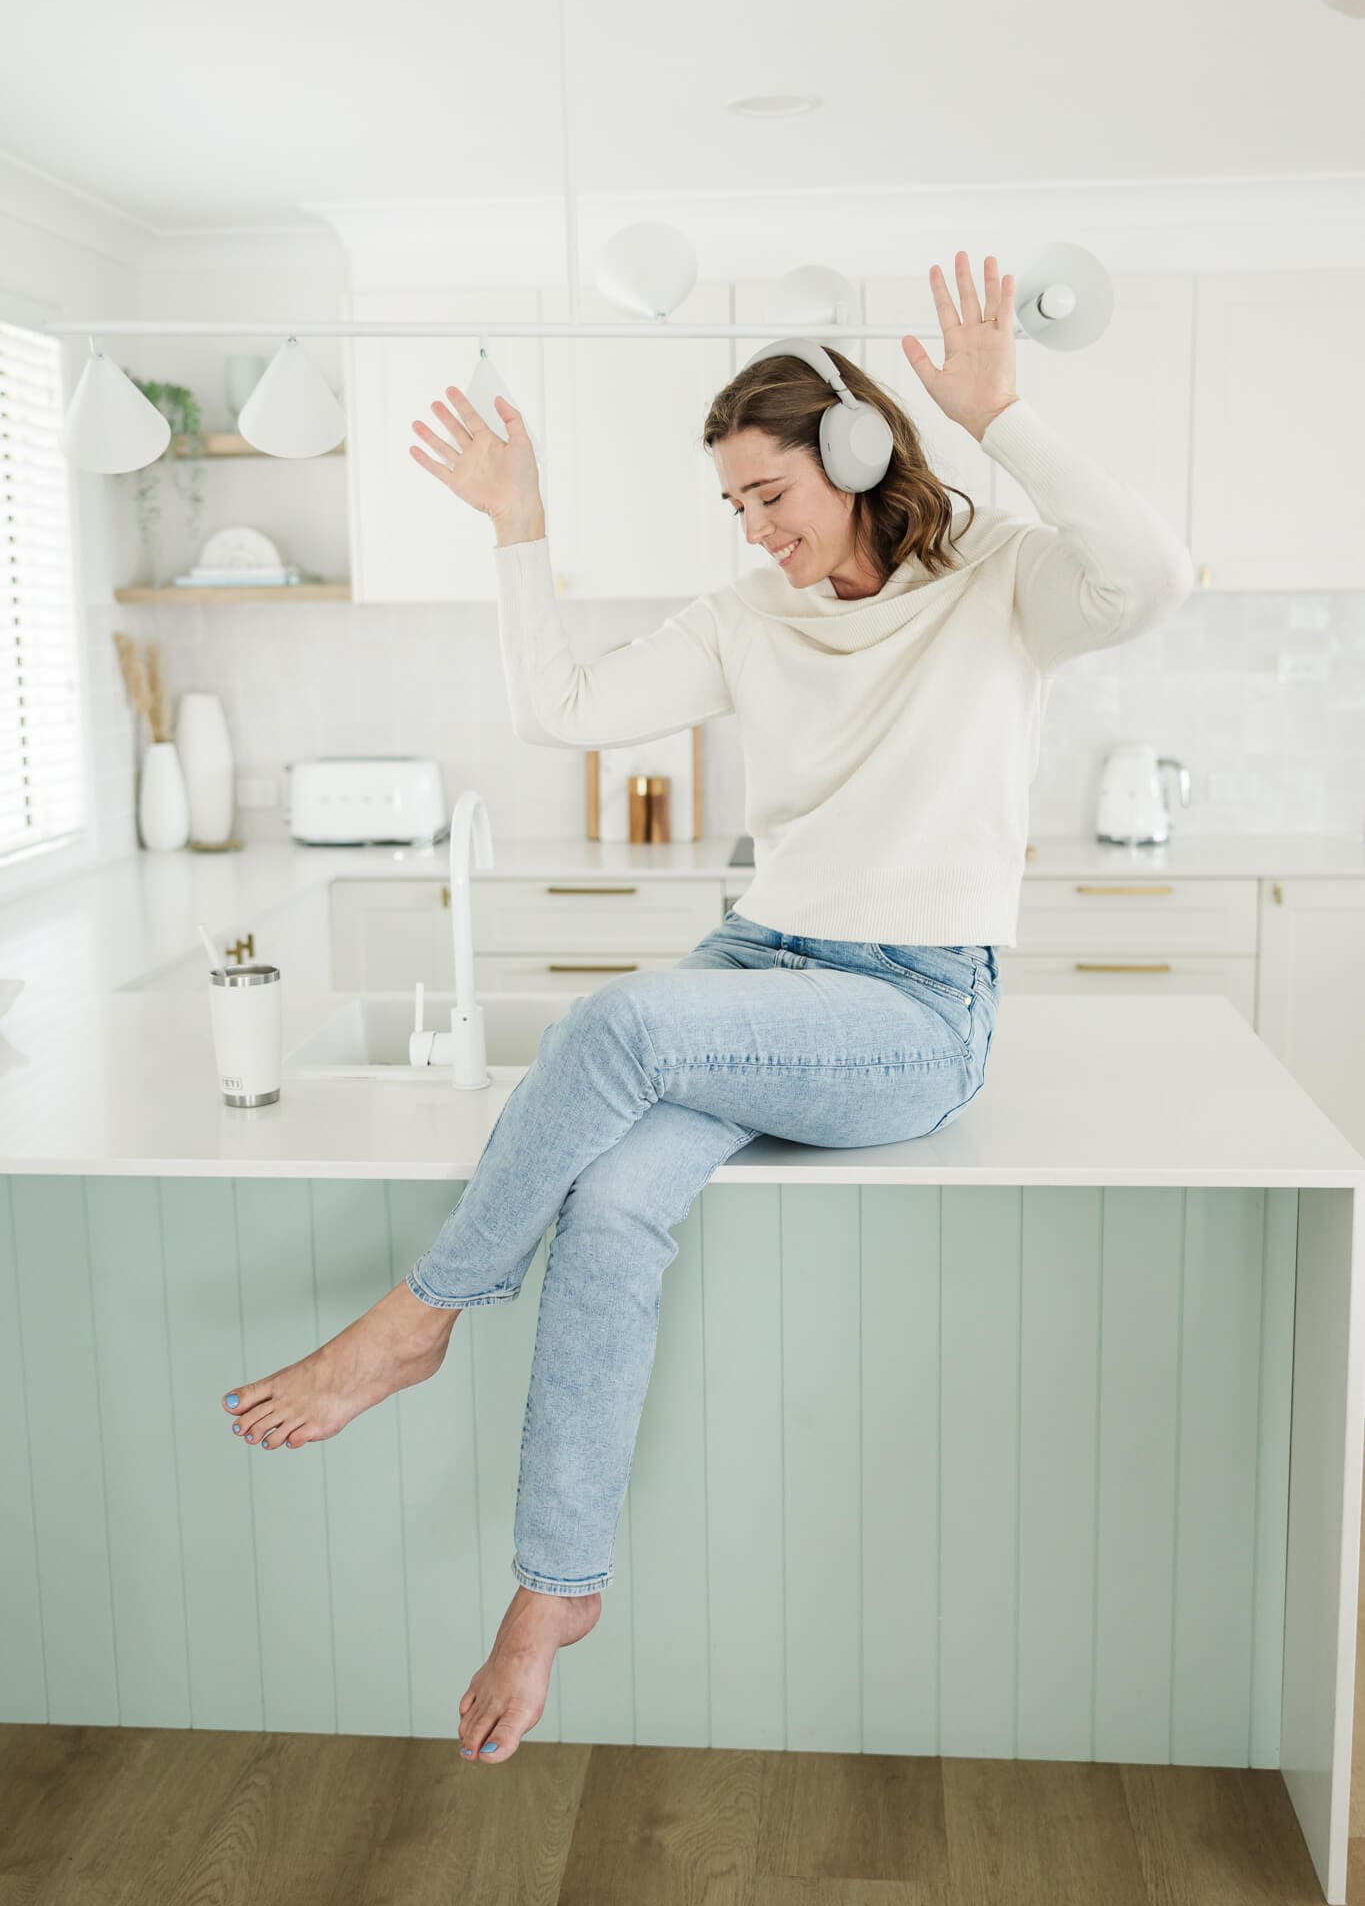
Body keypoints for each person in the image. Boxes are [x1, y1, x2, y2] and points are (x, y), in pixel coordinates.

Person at [217, 251, 1195, 1767]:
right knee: (611, 1207)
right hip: (758, 971)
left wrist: (1002, 417)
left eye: (770, 493)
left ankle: (413, 1323)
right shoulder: (748, 614)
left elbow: (1154, 574)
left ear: (858, 457)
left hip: (915, 1014)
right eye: (734, 503)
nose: (753, 527)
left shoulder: (1003, 582)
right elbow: (559, 711)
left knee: (618, 1024)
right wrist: (518, 526)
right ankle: (557, 1591)